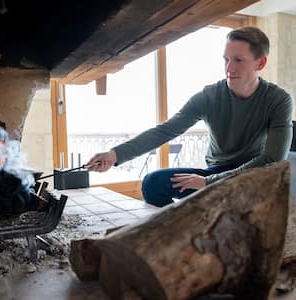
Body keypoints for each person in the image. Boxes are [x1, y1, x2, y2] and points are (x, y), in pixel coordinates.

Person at [87, 26, 294, 207]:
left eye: (238, 60)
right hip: (214, 172)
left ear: (260, 63)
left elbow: (272, 160)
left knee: (249, 196)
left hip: (252, 176)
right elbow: (165, 131)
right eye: (226, 59)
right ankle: (186, 230)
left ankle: (212, 211)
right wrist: (114, 155)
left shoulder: (279, 100)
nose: (229, 68)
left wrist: (209, 183)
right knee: (152, 183)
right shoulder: (209, 96)